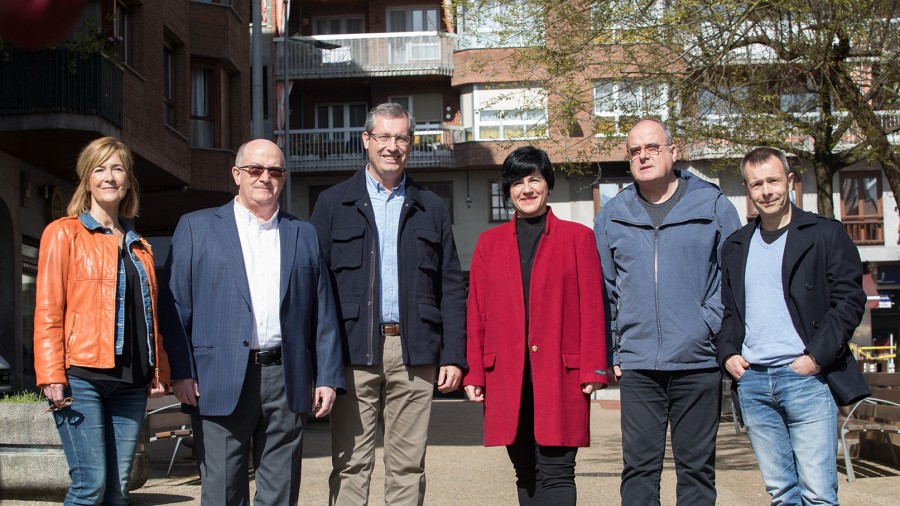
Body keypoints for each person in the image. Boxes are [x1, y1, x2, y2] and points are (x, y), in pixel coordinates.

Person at [160, 139, 345, 505]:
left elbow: (322, 311)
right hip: (217, 378)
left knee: (280, 492)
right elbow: (176, 306)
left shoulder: (303, 234)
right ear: (237, 175)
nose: (265, 178)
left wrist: (326, 377)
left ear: (284, 178)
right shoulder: (196, 228)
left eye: (274, 171)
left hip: (286, 378)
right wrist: (181, 370)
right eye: (255, 170)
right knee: (222, 492)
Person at [310, 103, 467, 506]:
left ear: (410, 144)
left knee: (408, 467)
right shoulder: (332, 203)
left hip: (414, 352)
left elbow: (450, 286)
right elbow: (317, 288)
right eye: (384, 137)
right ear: (367, 140)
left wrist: (453, 354)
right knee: (350, 465)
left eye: (401, 138)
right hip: (351, 350)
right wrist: (320, 360)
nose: (392, 147)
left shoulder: (430, 205)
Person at [594, 118, 741, 505]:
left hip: (698, 361)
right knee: (639, 470)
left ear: (673, 152)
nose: (643, 156)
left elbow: (733, 280)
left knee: (696, 470)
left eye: (652, 148)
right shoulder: (612, 214)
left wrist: (708, 327)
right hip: (639, 363)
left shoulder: (712, 205)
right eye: (635, 152)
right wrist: (614, 349)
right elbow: (603, 290)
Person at [716, 147, 869, 504]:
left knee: (818, 494)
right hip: (753, 381)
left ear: (789, 180)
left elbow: (849, 301)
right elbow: (727, 311)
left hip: (807, 378)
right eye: (756, 184)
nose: (766, 191)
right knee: (782, 493)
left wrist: (815, 358)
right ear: (747, 189)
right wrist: (727, 354)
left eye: (772, 180)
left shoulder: (825, 234)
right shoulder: (736, 245)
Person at [463, 147, 608, 505]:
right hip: (506, 376)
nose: (526, 190)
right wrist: (475, 374)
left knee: (557, 472)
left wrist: (594, 367)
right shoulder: (488, 244)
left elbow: (593, 306)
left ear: (547, 185)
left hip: (561, 373)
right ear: (508, 191)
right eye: (517, 183)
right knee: (525, 473)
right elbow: (476, 314)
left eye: (534, 180)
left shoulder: (578, 238)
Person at [33, 136, 170, 505]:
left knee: (116, 492)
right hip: (82, 378)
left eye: (117, 168)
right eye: (100, 169)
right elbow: (48, 310)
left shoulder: (139, 245)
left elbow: (151, 318)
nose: (109, 177)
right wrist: (51, 376)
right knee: (89, 488)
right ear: (87, 180)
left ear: (128, 181)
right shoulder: (63, 233)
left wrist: (160, 371)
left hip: (130, 384)